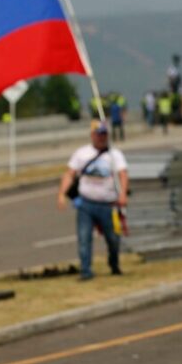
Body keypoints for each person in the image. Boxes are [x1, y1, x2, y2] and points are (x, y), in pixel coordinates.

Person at [57, 120, 129, 281]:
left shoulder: (114, 155)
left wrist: (123, 194)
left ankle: (114, 264)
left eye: (104, 134)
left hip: (109, 204)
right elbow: (69, 174)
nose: (101, 137)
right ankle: (86, 270)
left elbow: (123, 174)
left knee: (113, 238)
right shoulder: (82, 153)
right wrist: (61, 194)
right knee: (84, 237)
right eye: (98, 134)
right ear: (92, 135)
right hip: (86, 203)